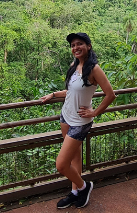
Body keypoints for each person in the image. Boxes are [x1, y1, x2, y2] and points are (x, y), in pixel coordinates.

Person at [40, 32, 116, 209]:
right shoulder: (74, 65)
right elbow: (71, 92)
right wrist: (53, 94)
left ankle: (84, 186)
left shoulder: (94, 69)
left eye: (79, 44)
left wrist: (94, 112)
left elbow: (110, 94)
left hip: (80, 122)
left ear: (88, 46)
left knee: (61, 164)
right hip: (65, 116)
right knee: (74, 158)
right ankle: (75, 193)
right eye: (73, 45)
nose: (76, 48)